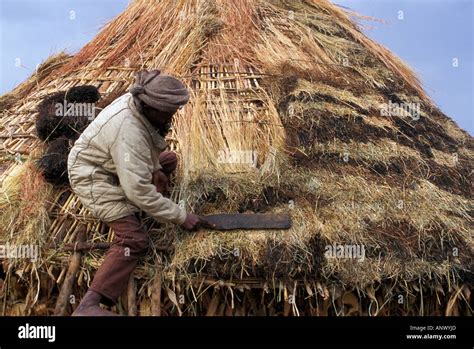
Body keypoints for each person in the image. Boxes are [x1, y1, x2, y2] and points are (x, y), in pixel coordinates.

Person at [67, 70, 200, 316]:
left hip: (114, 160)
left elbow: (146, 144)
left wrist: (157, 168)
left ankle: (152, 190)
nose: (172, 115)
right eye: (168, 111)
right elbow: (137, 190)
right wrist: (181, 216)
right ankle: (89, 305)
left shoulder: (138, 105)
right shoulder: (128, 131)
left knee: (168, 159)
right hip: (93, 175)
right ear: (151, 106)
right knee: (134, 240)